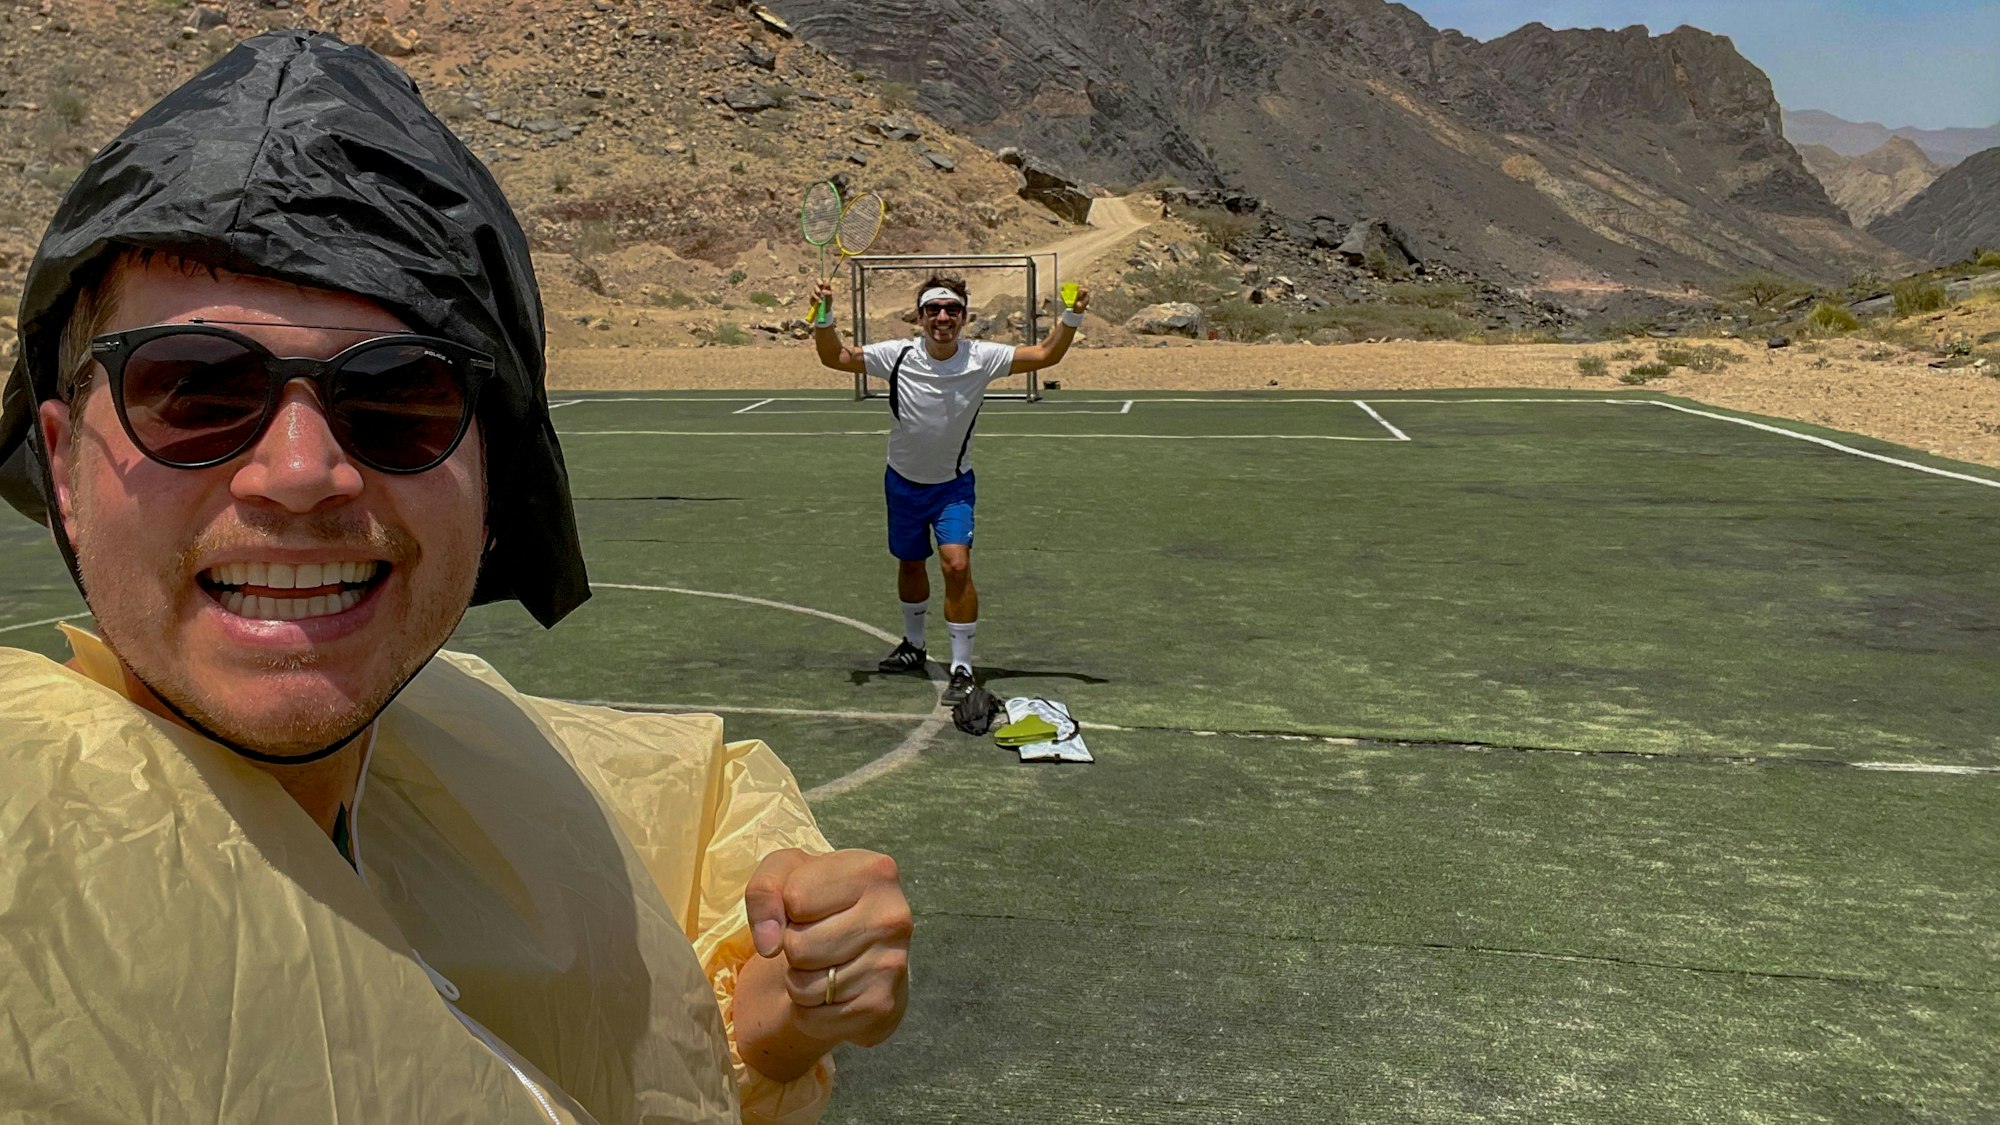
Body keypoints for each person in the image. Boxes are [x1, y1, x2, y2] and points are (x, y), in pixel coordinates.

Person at [0, 31, 908, 1124]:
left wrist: (763, 1026)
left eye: (397, 400)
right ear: (62, 460)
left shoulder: (489, 759)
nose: (300, 474)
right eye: (194, 390)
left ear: (493, 478)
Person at [810, 272, 1089, 705]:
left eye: (952, 310)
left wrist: (1071, 314)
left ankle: (962, 668)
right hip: (901, 481)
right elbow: (836, 359)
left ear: (965, 316)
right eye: (933, 310)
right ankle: (914, 646)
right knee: (909, 563)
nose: (943, 317)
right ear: (919, 316)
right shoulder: (897, 355)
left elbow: (1047, 354)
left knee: (956, 565)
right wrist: (824, 316)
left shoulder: (982, 357)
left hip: (952, 486)